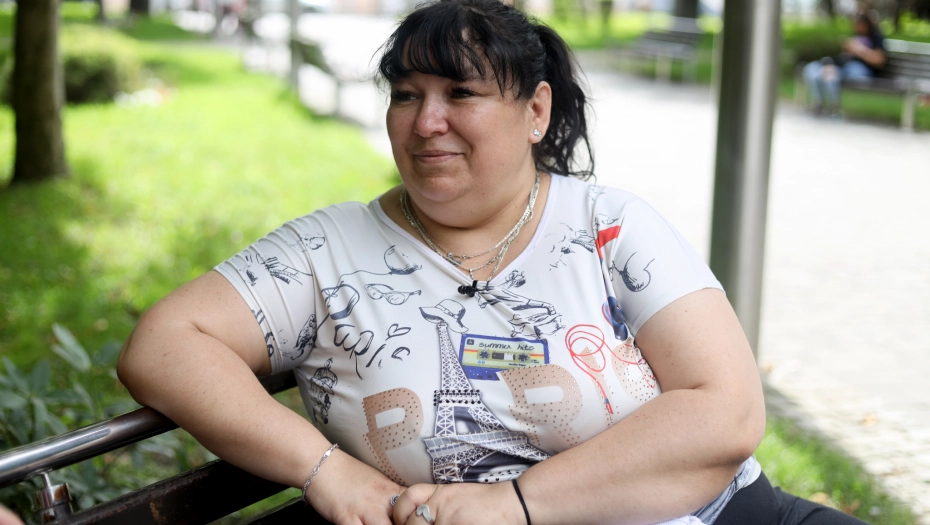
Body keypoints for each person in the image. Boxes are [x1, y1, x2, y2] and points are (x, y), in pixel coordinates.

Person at [117, 1, 869, 524]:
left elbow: (728, 409)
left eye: (460, 93)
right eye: (405, 95)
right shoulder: (326, 251)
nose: (426, 121)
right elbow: (164, 345)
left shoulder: (610, 225)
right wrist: (324, 467)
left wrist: (518, 503)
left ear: (536, 111)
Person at [802, 13, 887, 115]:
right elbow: (847, 57)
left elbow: (879, 60)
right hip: (847, 66)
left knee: (833, 74)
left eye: (858, 24)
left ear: (866, 25)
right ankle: (819, 105)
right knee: (819, 73)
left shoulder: (876, 37)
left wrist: (859, 50)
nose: (856, 27)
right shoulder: (856, 35)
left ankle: (834, 108)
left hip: (861, 71)